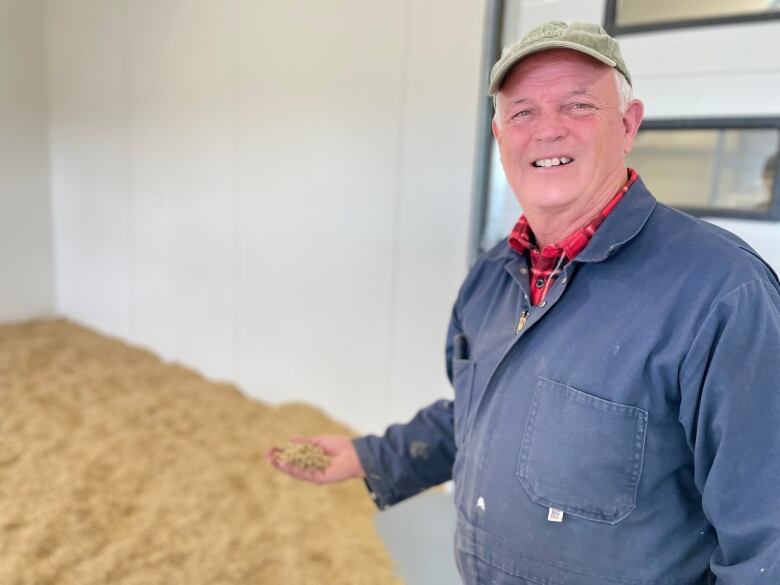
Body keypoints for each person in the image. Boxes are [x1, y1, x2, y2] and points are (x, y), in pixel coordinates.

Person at [268, 21, 780, 585]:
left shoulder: (721, 293)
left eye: (578, 105)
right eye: (523, 112)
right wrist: (371, 458)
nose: (548, 130)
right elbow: (482, 410)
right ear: (499, 134)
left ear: (628, 124)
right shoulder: (492, 277)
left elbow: (766, 539)